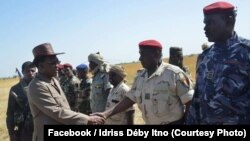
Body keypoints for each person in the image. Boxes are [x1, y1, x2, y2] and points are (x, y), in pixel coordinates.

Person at [93, 40, 194, 124]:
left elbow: (190, 102)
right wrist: (105, 114)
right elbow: (130, 98)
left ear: (156, 53)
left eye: (143, 54)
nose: (140, 58)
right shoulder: (140, 76)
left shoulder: (174, 74)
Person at [186, 1, 250, 124]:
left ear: (229, 21)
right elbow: (197, 100)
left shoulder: (246, 53)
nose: (205, 28)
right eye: (205, 23)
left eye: (210, 22)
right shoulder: (204, 57)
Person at [27, 43, 105, 141]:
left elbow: (65, 108)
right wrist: (87, 119)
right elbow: (56, 111)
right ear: (41, 66)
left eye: (57, 61)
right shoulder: (36, 86)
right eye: (53, 63)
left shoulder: (53, 80)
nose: (57, 65)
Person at [6, 61, 36, 141]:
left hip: (39, 127)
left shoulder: (40, 86)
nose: (30, 73)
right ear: (23, 72)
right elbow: (10, 112)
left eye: (33, 70)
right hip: (24, 130)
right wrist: (11, 133)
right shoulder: (15, 89)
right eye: (27, 71)